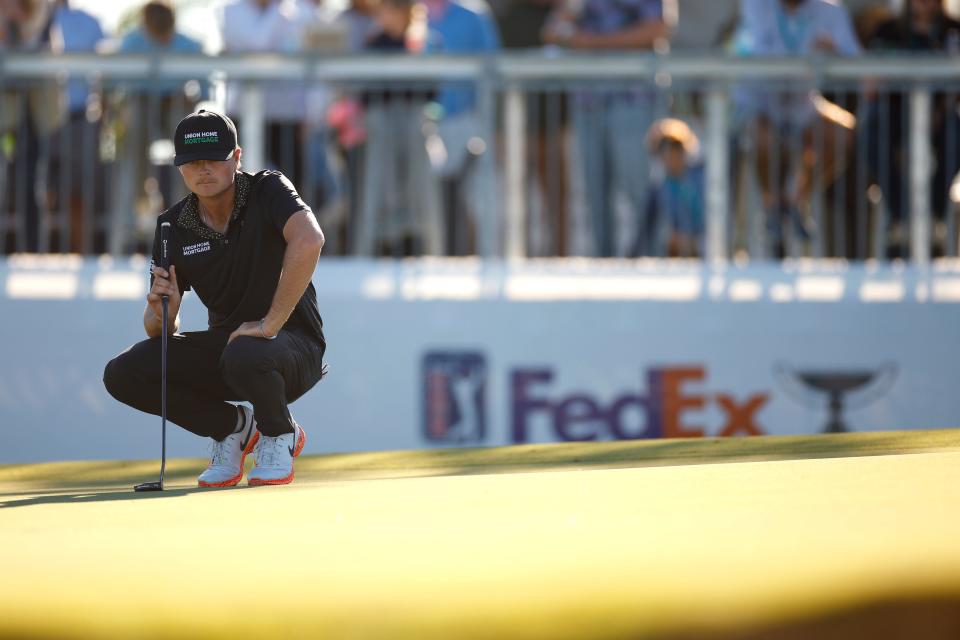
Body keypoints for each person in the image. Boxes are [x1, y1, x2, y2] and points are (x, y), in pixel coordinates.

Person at [103, 110, 327, 487]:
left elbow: (310, 239)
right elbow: (157, 327)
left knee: (245, 350)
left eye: (213, 159)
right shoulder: (172, 225)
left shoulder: (267, 190)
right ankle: (233, 428)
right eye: (192, 162)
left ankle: (279, 433)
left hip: (293, 348)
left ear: (237, 158)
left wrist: (269, 324)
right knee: (123, 372)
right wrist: (165, 311)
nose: (203, 170)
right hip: (230, 354)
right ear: (179, 168)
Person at [733, 0, 860, 258]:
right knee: (761, 139)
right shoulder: (754, 6)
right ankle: (773, 208)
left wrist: (834, 52)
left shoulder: (830, 12)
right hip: (760, 104)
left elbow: (857, 61)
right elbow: (745, 49)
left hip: (804, 105)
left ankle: (794, 199)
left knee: (844, 135)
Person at [544, 0, 671, 257]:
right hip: (589, 101)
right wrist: (568, 15)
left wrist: (593, 43)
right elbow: (550, 32)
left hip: (634, 100)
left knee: (640, 187)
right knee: (595, 195)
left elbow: (659, 27)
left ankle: (653, 262)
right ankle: (604, 266)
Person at [866, 0, 960, 257]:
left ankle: (934, 215)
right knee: (872, 127)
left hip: (942, 118)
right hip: (894, 115)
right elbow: (870, 84)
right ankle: (902, 216)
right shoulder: (887, 30)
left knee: (957, 130)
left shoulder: (954, 30)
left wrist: (940, 111)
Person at [112, 0, 206, 253]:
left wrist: (197, 96)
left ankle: (184, 214)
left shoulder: (187, 43)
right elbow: (112, 76)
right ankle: (134, 215)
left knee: (186, 143)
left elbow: (204, 74)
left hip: (174, 102)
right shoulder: (131, 42)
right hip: (141, 102)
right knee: (134, 150)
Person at [637, 118, 705, 257]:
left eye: (676, 149)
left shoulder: (701, 180)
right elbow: (646, 231)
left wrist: (691, 240)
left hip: (703, 250)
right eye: (664, 151)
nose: (671, 157)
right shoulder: (658, 188)